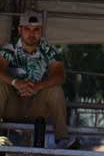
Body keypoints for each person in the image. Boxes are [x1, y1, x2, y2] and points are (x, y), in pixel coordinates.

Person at [0, 11, 77, 149]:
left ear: (41, 31)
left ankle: (62, 138)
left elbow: (59, 75)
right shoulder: (9, 48)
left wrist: (38, 86)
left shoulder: (48, 50)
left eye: (36, 29)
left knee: (55, 88)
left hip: (37, 107)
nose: (32, 33)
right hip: (12, 105)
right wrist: (16, 83)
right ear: (20, 30)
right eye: (27, 29)